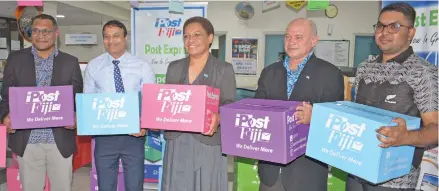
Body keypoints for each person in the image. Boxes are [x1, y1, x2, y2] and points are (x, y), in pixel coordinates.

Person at [347, 3, 438, 191]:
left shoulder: (424, 73)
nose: (384, 32)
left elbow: (436, 129)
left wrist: (406, 137)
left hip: (394, 181)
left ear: (411, 33)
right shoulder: (365, 67)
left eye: (394, 26)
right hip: (356, 169)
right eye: (380, 26)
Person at [255, 18, 345, 191]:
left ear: (314, 41)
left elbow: (337, 121)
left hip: (307, 173)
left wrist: (315, 117)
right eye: (287, 37)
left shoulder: (330, 74)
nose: (291, 42)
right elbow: (257, 111)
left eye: (298, 37)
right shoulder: (269, 72)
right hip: (270, 171)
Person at [0, 14, 83, 191]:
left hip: (59, 140)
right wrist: (5, 116)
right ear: (31, 33)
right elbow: (5, 96)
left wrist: (76, 117)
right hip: (27, 140)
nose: (41, 35)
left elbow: (77, 100)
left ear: (56, 33)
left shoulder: (70, 62)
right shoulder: (15, 60)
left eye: (47, 31)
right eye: (36, 30)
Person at [160, 16, 236, 191]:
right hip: (177, 140)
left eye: (196, 35)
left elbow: (230, 104)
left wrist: (219, 116)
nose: (190, 40)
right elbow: (166, 102)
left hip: (207, 142)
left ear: (210, 38)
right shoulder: (174, 67)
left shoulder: (223, 69)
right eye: (186, 36)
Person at [84, 20, 155, 191]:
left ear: (125, 38)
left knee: (134, 185)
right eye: (107, 37)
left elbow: (149, 100)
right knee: (105, 185)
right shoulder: (94, 66)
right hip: (104, 136)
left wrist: (144, 123)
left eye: (116, 36)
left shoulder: (142, 66)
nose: (111, 40)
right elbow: (89, 100)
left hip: (133, 135)